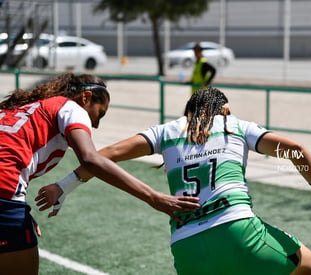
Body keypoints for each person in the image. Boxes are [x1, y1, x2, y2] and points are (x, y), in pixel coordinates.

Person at [38, 87, 311, 275]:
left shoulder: (165, 132)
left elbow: (101, 156)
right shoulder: (234, 125)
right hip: (237, 229)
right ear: (223, 109)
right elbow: (294, 151)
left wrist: (62, 186)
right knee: (309, 266)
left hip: (186, 245)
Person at [0, 73, 200, 275]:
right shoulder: (71, 108)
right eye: (99, 114)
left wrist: (18, 206)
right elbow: (91, 159)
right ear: (86, 98)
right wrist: (154, 197)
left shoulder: (20, 111)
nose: (96, 125)